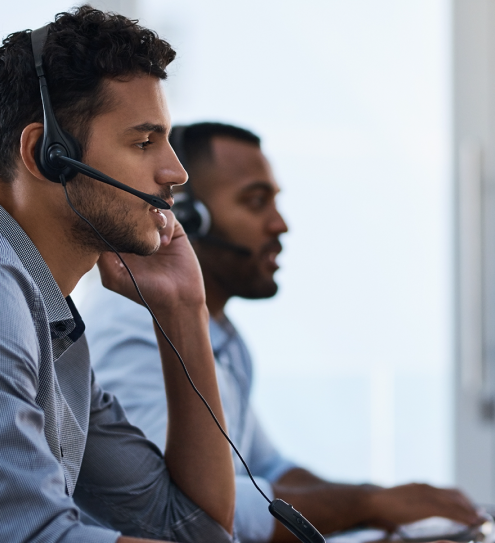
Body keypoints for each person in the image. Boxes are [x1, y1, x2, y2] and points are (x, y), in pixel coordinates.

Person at [0, 9, 236, 542]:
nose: (176, 173)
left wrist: (182, 311)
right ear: (46, 155)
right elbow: (29, 536)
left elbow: (194, 529)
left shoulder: (53, 333)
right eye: (144, 142)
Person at [82, 121, 481, 543]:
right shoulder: (132, 323)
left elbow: (268, 470)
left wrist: (389, 508)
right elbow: (190, 511)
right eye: (255, 202)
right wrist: (368, 504)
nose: (279, 225)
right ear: (186, 218)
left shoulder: (223, 337)